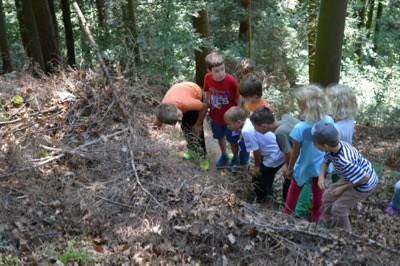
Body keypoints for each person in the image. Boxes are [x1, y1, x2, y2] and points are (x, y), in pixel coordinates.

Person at [313, 122, 379, 231]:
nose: (314, 145)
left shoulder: (344, 160)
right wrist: (321, 177)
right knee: (327, 197)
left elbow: (364, 177)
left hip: (364, 184)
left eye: (315, 143)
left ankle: (346, 234)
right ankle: (330, 224)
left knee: (338, 209)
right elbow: (325, 161)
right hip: (352, 177)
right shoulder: (334, 147)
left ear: (325, 145)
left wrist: (343, 188)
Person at [284, 84, 334, 222]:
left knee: (294, 189)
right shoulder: (329, 121)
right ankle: (317, 217)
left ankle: (287, 214)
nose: (297, 104)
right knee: (319, 190)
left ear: (308, 105)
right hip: (322, 163)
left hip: (304, 164)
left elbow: (295, 152)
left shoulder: (300, 128)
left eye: (299, 102)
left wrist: (289, 169)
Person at [224, 107, 284, 202]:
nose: (228, 127)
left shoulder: (246, 131)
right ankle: (268, 195)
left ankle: (261, 200)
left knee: (257, 177)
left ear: (238, 122)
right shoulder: (248, 121)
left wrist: (257, 166)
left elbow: (256, 150)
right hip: (278, 151)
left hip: (276, 154)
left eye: (229, 124)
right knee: (267, 175)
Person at [203, 52, 247, 168]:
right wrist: (207, 103)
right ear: (209, 70)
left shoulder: (231, 81)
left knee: (233, 139)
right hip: (216, 115)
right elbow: (207, 90)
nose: (221, 73)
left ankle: (235, 158)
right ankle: (224, 155)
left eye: (222, 69)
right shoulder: (207, 78)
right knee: (219, 136)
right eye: (216, 71)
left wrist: (238, 112)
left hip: (231, 119)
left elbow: (239, 97)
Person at [154, 82, 209, 171]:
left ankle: (203, 157)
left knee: (196, 129)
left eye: (179, 115)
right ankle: (192, 148)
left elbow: (204, 108)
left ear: (176, 108)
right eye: (177, 120)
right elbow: (156, 128)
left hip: (194, 91)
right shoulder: (162, 113)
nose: (181, 118)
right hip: (179, 93)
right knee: (185, 127)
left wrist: (198, 124)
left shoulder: (188, 103)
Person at [250, 106, 299, 204]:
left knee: (288, 183)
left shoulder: (280, 133)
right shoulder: (286, 117)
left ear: (264, 126)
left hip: (301, 158)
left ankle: (288, 208)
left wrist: (288, 168)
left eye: (255, 127)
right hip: (306, 152)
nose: (255, 130)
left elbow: (288, 153)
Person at [326, 84, 358, 183]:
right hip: (347, 159)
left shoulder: (336, 128)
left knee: (338, 187)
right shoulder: (349, 119)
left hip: (339, 163)